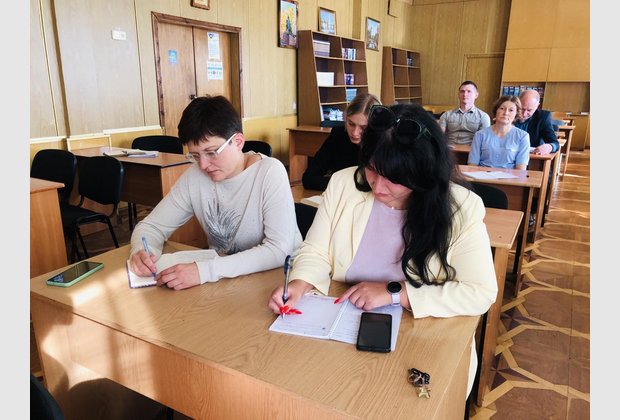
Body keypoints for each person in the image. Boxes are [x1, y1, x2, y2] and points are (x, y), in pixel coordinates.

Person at [268, 103, 497, 396]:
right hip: (342, 328)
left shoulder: (462, 207)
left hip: (422, 336)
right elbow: (315, 250)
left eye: (395, 178)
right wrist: (301, 283)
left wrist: (394, 293)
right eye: (373, 170)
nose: (378, 187)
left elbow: (480, 292)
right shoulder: (343, 184)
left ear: (423, 173)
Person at [129, 95, 302, 290]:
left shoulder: (269, 172)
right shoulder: (195, 176)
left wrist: (205, 271)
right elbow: (151, 227)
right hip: (225, 281)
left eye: (211, 152)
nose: (203, 165)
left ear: (238, 142)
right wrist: (143, 251)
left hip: (281, 281)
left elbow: (279, 250)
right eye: (195, 155)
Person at [302, 92, 381, 190]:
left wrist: (339, 184)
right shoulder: (338, 135)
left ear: (375, 127)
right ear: (345, 118)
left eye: (363, 128)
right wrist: (343, 187)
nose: (355, 133)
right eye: (351, 124)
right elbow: (309, 178)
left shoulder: (383, 144)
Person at [468, 95, 530, 170]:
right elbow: (472, 165)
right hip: (482, 175)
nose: (506, 113)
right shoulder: (480, 135)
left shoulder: (523, 136)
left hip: (510, 177)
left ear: (516, 114)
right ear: (496, 111)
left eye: (511, 110)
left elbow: (521, 169)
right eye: (502, 108)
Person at [438, 80, 491, 144]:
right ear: (458, 94)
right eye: (462, 91)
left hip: (472, 149)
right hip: (450, 148)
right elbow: (439, 137)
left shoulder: (483, 117)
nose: (465, 94)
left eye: (469, 91)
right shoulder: (446, 115)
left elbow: (483, 140)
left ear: (476, 95)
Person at [514, 89, 559, 155]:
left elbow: (555, 144)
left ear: (537, 106)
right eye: (522, 109)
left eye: (529, 110)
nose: (524, 114)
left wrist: (550, 147)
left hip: (531, 157)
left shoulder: (543, 117)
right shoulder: (509, 112)